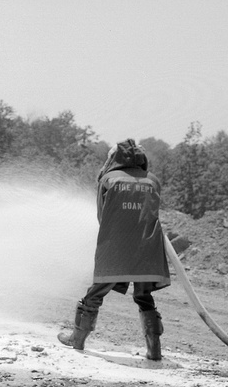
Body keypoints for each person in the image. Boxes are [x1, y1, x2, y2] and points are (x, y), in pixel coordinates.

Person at [58, 138, 170, 360]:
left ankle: (77, 339)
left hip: (116, 245)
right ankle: (154, 349)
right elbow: (152, 213)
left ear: (114, 159)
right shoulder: (153, 180)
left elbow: (102, 216)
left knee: (96, 292)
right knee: (144, 296)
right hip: (147, 246)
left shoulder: (108, 179)